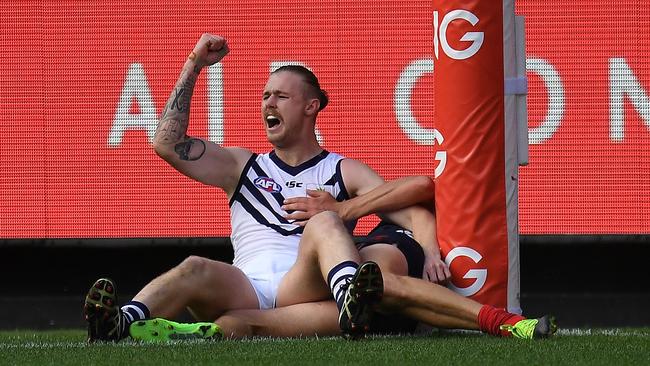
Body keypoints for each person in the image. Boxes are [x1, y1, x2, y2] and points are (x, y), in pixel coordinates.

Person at [83, 33, 556, 343]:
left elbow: (413, 203)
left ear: (311, 108)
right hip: (245, 285)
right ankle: (119, 321)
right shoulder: (240, 165)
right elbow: (166, 143)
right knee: (193, 268)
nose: (268, 103)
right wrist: (193, 64)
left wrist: (426, 247)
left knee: (327, 219)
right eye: (265, 95)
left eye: (281, 96)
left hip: (305, 290)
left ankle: (352, 297)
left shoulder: (341, 169)